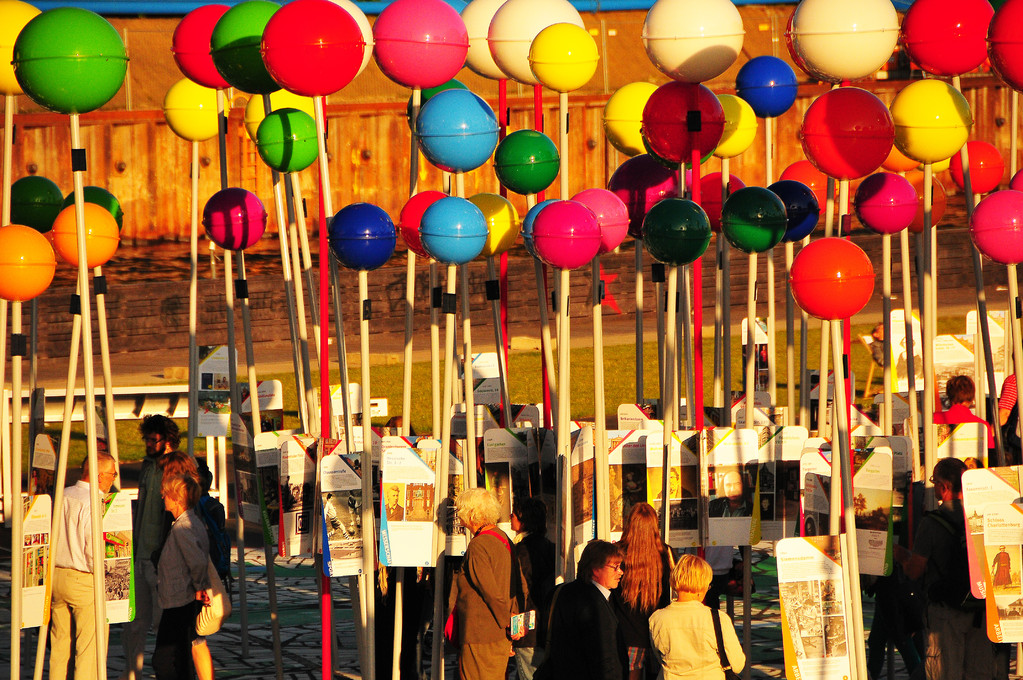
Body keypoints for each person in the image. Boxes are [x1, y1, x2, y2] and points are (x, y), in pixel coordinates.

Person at [896, 457, 994, 680]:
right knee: (979, 673)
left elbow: (915, 570)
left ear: (944, 486)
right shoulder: (981, 516)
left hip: (945, 613)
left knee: (944, 673)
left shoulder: (932, 523)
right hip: (980, 610)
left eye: (934, 481)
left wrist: (899, 554)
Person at [122, 414, 184, 680]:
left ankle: (167, 671)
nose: (147, 443)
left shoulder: (176, 467)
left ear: (167, 441)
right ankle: (131, 672)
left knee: (163, 624)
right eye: (145, 438)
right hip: (141, 555)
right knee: (135, 624)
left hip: (162, 560)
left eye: (152, 439)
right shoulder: (147, 467)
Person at [50, 452, 118, 680]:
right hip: (84, 578)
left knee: (60, 646)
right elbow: (93, 548)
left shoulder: (62, 495)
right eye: (112, 474)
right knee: (89, 650)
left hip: (57, 575)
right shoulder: (95, 503)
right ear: (99, 476)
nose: (114, 480)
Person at [451, 487, 521, 680]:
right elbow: (515, 584)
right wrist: (512, 623)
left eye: (461, 511)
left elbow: (491, 591)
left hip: (481, 633)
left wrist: (507, 622)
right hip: (498, 635)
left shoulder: (478, 545)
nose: (458, 516)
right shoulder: (503, 538)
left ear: (472, 513)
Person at [537, 540, 624, 680]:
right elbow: (606, 657)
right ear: (596, 569)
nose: (620, 572)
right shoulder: (596, 604)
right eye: (615, 567)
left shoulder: (558, 592)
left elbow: (544, 636)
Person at [648, 554, 745, 680]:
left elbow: (659, 657)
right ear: (702, 585)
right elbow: (737, 664)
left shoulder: (657, 618)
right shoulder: (718, 618)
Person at [153, 474, 211, 680]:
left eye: (166, 494)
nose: (162, 496)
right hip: (179, 599)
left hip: (180, 600)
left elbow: (196, 561)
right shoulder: (191, 522)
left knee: (165, 661)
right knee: (179, 658)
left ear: (177, 498)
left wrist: (199, 586)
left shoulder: (182, 528)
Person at [612, 503, 673, 680]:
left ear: (630, 524)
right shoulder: (665, 553)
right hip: (658, 632)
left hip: (627, 634)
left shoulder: (617, 554)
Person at [510, 497, 555, 680]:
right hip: (547, 627)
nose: (510, 517)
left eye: (513, 514)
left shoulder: (521, 551)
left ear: (523, 519)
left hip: (529, 631)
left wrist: (514, 629)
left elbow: (521, 593)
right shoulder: (550, 547)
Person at [933, 375, 994, 449]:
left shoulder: (934, 419)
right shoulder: (982, 425)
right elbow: (989, 453)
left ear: (949, 395)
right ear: (972, 397)